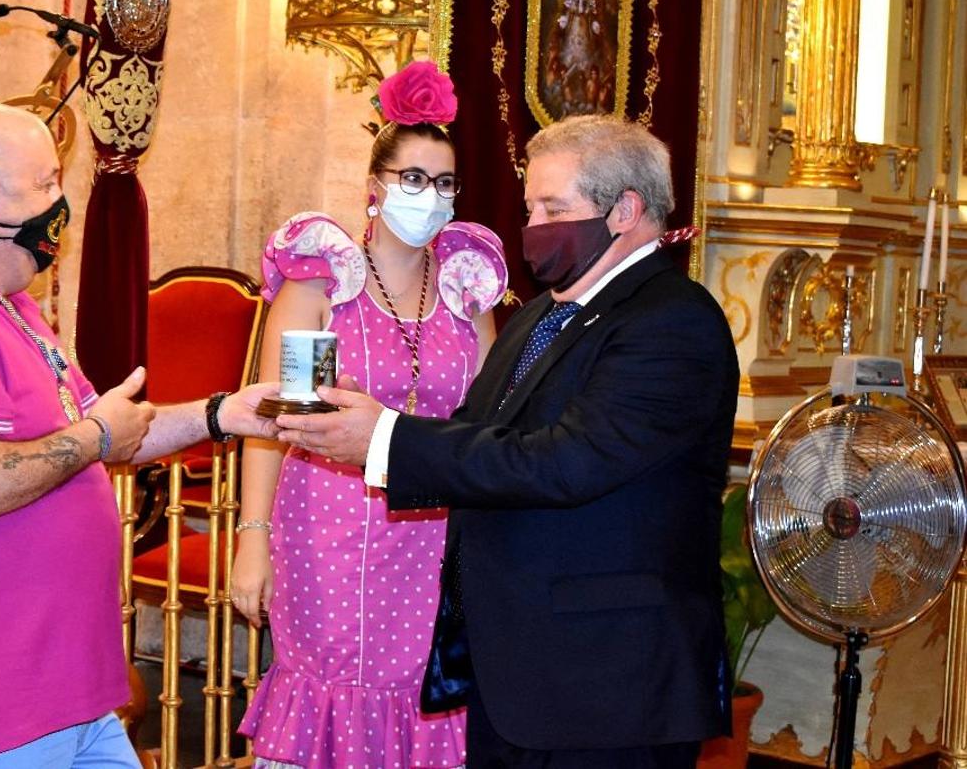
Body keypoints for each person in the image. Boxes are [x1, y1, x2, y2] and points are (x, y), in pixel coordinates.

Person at [0, 101, 277, 767]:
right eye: (46, 183)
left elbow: (110, 431)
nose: (59, 202)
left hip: (58, 691)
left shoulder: (6, 305)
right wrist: (95, 437)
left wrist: (223, 413)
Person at [278, 115, 738, 768]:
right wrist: (367, 415)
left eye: (555, 207)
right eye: (530, 208)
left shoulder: (672, 321)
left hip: (606, 685)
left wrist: (384, 436)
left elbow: (565, 463)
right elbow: (479, 431)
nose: (534, 226)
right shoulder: (544, 315)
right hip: (515, 666)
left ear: (625, 210)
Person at [232, 61, 507, 769]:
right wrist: (252, 537)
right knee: (336, 691)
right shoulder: (324, 284)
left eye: (445, 183)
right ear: (375, 192)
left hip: (436, 532)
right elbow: (277, 421)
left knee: (426, 695)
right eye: (414, 179)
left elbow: (490, 430)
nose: (431, 197)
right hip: (328, 530)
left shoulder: (466, 293)